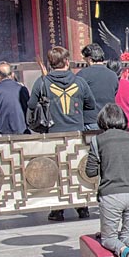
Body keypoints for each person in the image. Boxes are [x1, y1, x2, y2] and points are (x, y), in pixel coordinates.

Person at [28, 46, 97, 221]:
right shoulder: (79, 82)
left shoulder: (42, 82)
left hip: (52, 133)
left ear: (51, 63)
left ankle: (58, 209)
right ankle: (82, 206)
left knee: (56, 170)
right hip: (76, 131)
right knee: (76, 168)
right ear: (66, 61)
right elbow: (90, 104)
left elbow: (31, 104)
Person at [85, 104, 129, 257]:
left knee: (108, 238)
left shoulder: (97, 140)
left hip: (110, 195)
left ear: (102, 121)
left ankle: (124, 251)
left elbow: (90, 172)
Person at [77, 43, 119, 121]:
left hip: (90, 118)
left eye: (84, 59)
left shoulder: (82, 74)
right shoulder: (113, 75)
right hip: (108, 118)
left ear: (89, 59)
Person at [0, 62, 28, 136]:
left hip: (4, 133)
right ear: (13, 74)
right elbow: (29, 109)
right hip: (22, 132)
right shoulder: (22, 89)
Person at [107, 60, 129, 129]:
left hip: (109, 121)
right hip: (126, 121)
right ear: (121, 72)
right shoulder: (128, 84)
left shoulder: (105, 85)